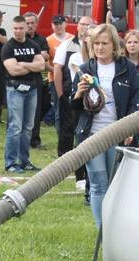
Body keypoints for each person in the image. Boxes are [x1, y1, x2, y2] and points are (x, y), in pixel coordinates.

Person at [71, 23, 139, 227]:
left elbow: (135, 101)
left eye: (105, 43)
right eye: (96, 43)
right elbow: (73, 105)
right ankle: (102, 229)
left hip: (117, 133)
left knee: (114, 183)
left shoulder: (127, 68)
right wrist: (78, 93)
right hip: (92, 133)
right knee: (98, 183)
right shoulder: (85, 69)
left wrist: (130, 128)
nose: (100, 47)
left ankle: (114, 226)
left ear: (114, 45)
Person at [53, 17, 92, 194]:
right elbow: (58, 69)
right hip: (75, 96)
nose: (85, 29)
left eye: (88, 26)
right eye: (82, 25)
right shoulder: (70, 49)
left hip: (94, 103)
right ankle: (71, 168)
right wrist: (60, 93)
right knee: (71, 131)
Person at [2, 15, 45, 173]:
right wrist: (32, 65)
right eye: (15, 28)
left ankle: (24, 161)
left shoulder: (33, 45)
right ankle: (10, 163)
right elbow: (13, 70)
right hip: (15, 90)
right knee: (15, 127)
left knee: (28, 128)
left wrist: (24, 64)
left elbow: (41, 66)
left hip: (32, 89)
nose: (18, 31)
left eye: (21, 28)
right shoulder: (8, 47)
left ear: (26, 28)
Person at [24, 12, 51, 149]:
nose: (30, 25)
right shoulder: (19, 40)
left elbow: (46, 56)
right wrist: (37, 55)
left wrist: (29, 55)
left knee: (36, 111)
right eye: (27, 23)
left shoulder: (42, 39)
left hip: (36, 80)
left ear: (36, 23)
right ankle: (21, 140)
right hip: (21, 80)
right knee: (21, 111)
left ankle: (34, 141)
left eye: (32, 23)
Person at [46, 15, 73, 130]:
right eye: (55, 24)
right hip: (55, 79)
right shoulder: (48, 41)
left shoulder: (72, 39)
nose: (58, 26)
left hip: (70, 79)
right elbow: (45, 63)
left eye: (60, 23)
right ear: (52, 25)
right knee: (58, 106)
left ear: (65, 24)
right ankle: (60, 131)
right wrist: (58, 71)